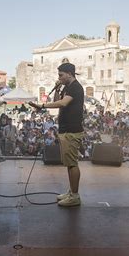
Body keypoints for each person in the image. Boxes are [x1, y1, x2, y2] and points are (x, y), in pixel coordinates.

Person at [29, 62, 84, 207]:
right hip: (66, 129)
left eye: (61, 75)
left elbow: (63, 104)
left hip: (72, 130)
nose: (59, 78)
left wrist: (42, 106)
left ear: (69, 74)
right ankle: (71, 191)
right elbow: (57, 101)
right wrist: (57, 89)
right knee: (68, 163)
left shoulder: (76, 87)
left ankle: (75, 196)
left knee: (72, 164)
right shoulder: (67, 87)